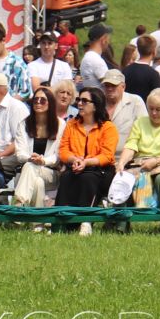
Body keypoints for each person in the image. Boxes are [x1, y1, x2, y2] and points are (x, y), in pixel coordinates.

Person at [56, 88, 118, 233]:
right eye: (79, 100)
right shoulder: (71, 124)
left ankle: (85, 220)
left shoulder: (108, 128)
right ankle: (63, 221)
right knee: (66, 177)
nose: (79, 104)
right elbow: (63, 150)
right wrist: (75, 159)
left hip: (100, 170)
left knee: (88, 178)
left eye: (84, 101)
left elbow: (107, 155)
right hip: (76, 166)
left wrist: (86, 162)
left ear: (95, 105)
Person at [117, 87, 160, 212]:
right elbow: (131, 145)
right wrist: (121, 162)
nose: (153, 113)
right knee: (123, 175)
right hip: (140, 162)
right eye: (151, 108)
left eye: (158, 110)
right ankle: (120, 222)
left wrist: (156, 161)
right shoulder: (140, 122)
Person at [10, 89, 62, 210]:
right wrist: (31, 158)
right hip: (29, 171)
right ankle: (37, 223)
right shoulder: (24, 124)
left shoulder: (60, 125)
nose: (38, 103)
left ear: (50, 103)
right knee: (37, 182)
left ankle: (19, 204)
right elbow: (20, 153)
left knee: (29, 167)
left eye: (42, 100)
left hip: (50, 173)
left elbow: (58, 155)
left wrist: (43, 161)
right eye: (35, 100)